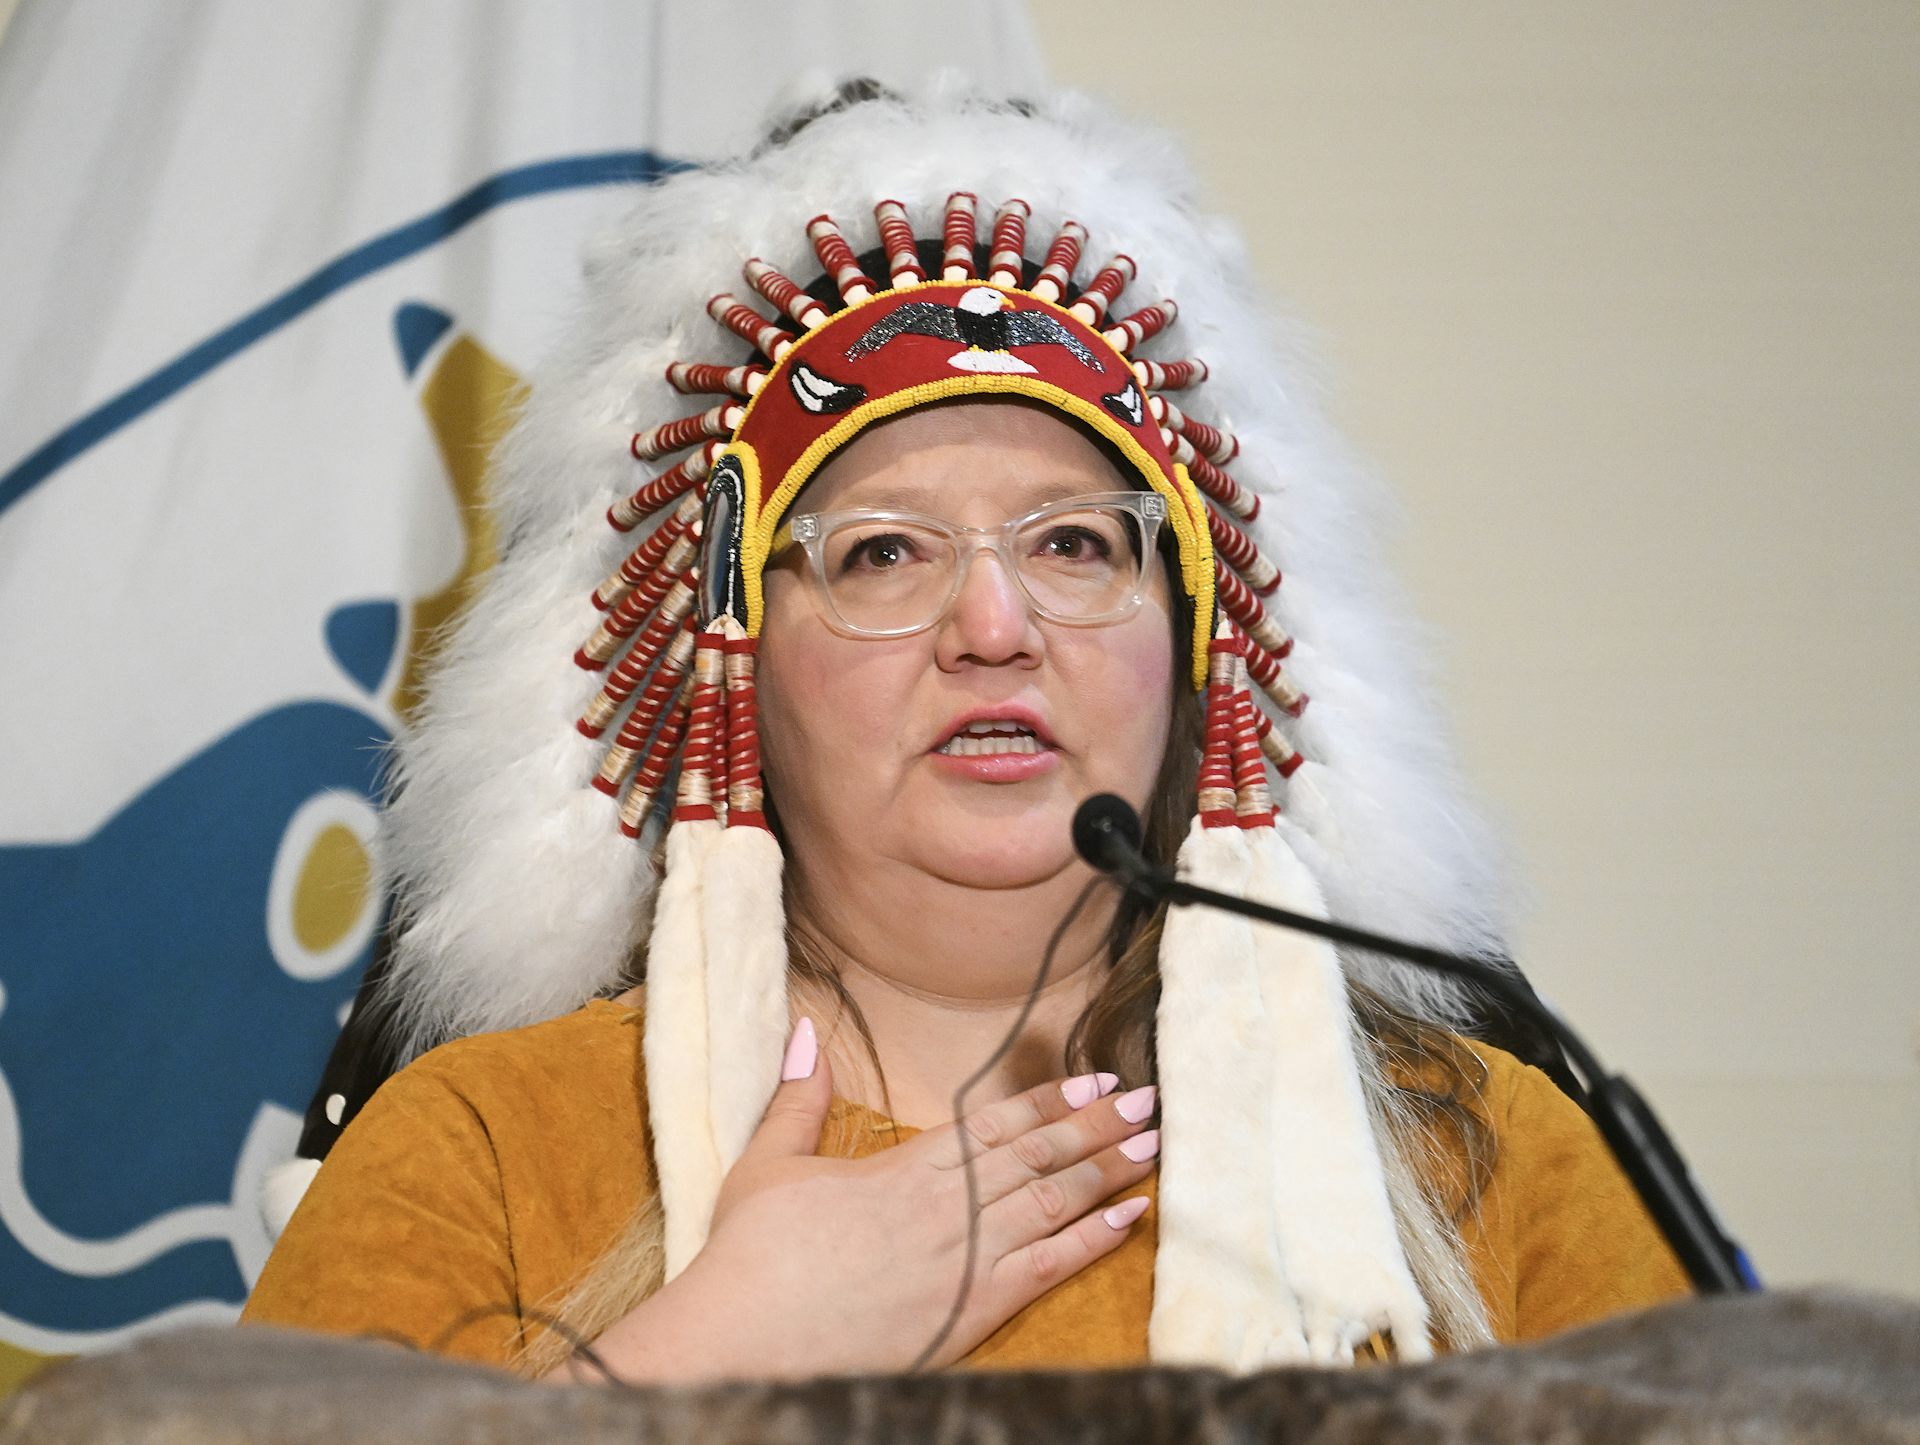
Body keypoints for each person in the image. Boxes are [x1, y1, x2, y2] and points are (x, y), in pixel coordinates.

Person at [241, 86, 1688, 1381]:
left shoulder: (1488, 1160)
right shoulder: (487, 1148)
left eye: (1073, 543)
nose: (995, 624)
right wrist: (689, 1359)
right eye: (881, 552)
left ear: (1194, 644)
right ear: (731, 659)